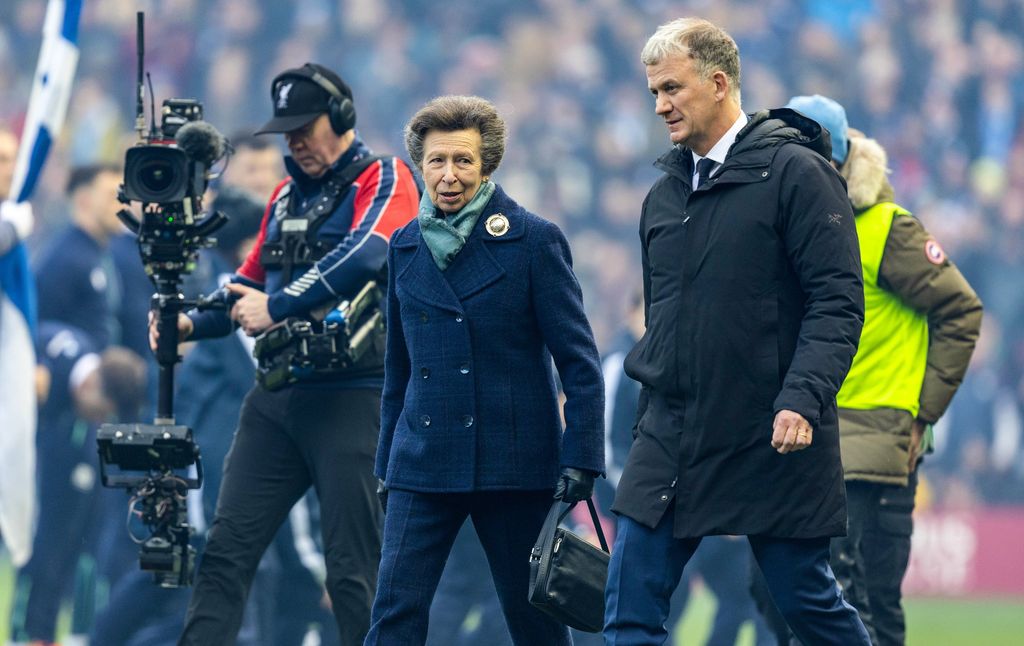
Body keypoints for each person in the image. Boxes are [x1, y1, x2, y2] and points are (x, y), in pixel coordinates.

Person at [604, 18, 871, 645]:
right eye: (653, 93)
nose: (660, 105)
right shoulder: (663, 195)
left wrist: (802, 398)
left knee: (804, 605)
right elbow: (664, 321)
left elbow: (837, 302)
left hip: (771, 431)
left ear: (719, 83)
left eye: (672, 88)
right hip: (672, 434)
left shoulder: (798, 174)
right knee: (627, 611)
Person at [158, 62, 419, 645]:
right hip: (277, 396)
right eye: (288, 131)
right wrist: (186, 323)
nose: (295, 141)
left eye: (306, 127)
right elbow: (245, 287)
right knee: (225, 552)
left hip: (354, 396)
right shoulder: (281, 196)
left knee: (353, 569)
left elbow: (371, 253)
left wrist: (279, 306)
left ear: (343, 117)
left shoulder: (385, 176)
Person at [365, 95, 605, 645]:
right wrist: (386, 465)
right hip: (420, 465)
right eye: (437, 162)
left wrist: (582, 459)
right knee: (393, 614)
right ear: (420, 168)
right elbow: (397, 374)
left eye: (463, 161)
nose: (449, 176)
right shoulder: (402, 246)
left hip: (514, 465)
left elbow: (579, 363)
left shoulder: (534, 240)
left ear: (488, 164)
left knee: (535, 622)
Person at [786, 94, 983, 645]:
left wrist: (922, 413)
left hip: (875, 450)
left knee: (866, 603)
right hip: (807, 440)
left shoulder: (888, 228)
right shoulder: (793, 229)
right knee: (802, 603)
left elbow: (961, 308)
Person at [9, 321, 147, 646]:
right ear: (92, 386)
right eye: (104, 411)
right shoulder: (40, 368)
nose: (102, 419)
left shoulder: (75, 382)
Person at [33, 163, 125, 349]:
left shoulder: (101, 253)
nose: (121, 205)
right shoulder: (64, 259)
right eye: (111, 196)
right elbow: (42, 326)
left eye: (122, 197)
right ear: (84, 200)